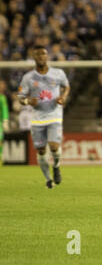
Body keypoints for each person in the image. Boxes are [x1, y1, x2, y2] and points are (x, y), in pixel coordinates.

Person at [17, 45, 70, 189]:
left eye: (44, 54)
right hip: (37, 118)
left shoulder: (58, 73)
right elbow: (20, 97)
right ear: (34, 57)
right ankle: (48, 179)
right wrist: (28, 101)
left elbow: (66, 86)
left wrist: (63, 97)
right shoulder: (28, 78)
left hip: (54, 115)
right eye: (38, 54)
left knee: (53, 146)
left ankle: (57, 166)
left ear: (47, 56)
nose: (41, 57)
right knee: (41, 150)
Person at [0, 79, 9, 165]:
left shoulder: (2, 97)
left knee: (0, 140)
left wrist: (5, 121)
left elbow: (5, 109)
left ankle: (0, 157)